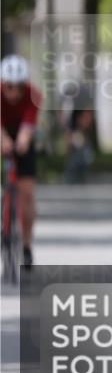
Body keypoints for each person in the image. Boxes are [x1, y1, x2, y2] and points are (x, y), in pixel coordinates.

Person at [0, 54, 41, 270]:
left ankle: (26, 245)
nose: (14, 92)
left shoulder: (33, 95)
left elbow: (28, 126)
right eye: (9, 87)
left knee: (27, 192)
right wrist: (3, 140)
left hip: (23, 135)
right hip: (2, 131)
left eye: (19, 87)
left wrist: (22, 142)